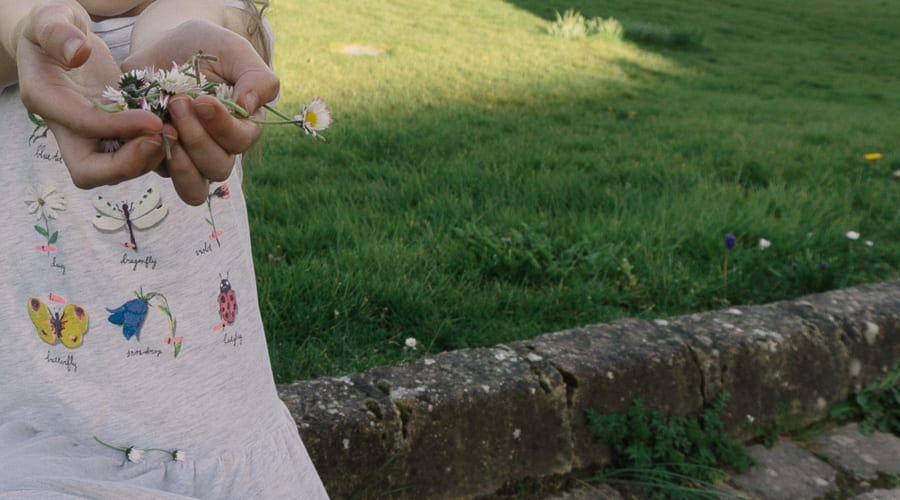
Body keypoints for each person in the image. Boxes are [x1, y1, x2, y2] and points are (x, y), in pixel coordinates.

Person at [0, 1, 329, 498]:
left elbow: (208, 20)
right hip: (50, 449)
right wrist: (30, 28)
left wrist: (174, 56)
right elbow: (21, 21)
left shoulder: (217, 11)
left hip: (223, 448)